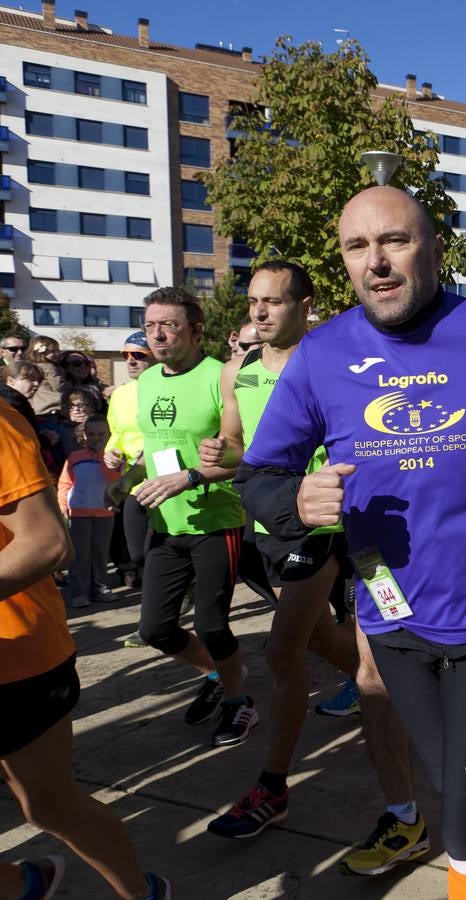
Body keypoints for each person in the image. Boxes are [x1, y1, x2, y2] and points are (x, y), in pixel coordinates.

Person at [235, 185, 466, 898]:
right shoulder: (322, 352)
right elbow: (260, 475)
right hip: (389, 613)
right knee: (454, 773)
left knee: (460, 817)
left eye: (394, 240)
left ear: (432, 246)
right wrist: (296, 502)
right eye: (357, 246)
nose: (377, 261)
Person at [201, 261, 418, 873]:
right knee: (322, 637)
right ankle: (414, 697)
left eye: (273, 302)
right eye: (253, 302)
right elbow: (244, 454)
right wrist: (216, 458)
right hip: (282, 526)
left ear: (305, 306)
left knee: (283, 650)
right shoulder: (234, 371)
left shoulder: (331, 358)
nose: (259, 313)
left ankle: (273, 787)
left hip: (351, 527)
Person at [0, 397, 171, 900]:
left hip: (19, 661)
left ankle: (141, 892)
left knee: (48, 806)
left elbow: (49, 543)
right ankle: (24, 884)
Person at [133, 287, 255, 748]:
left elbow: (243, 455)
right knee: (155, 629)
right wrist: (127, 475)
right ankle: (219, 674)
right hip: (165, 523)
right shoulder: (145, 381)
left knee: (211, 623)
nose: (158, 335)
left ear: (196, 330)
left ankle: (239, 701)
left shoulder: (219, 376)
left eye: (170, 325)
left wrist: (192, 476)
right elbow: (155, 442)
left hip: (215, 521)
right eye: (150, 326)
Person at [56, 414, 119, 608]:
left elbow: (114, 480)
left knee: (100, 553)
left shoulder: (113, 459)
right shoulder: (75, 457)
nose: (96, 438)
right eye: (91, 434)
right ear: (84, 435)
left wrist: (105, 460)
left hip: (104, 512)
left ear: (109, 435)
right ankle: (78, 592)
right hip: (79, 512)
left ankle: (100, 587)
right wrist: (63, 506)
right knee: (81, 554)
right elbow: (65, 483)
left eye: (101, 434)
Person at [104, 332, 151, 591]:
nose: (131, 361)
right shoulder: (121, 395)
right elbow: (117, 434)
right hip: (133, 481)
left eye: (139, 355)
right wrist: (112, 452)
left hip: (166, 478)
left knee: (163, 548)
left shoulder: (167, 388)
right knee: (137, 554)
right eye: (126, 355)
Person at [25, 336, 63, 417]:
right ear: (40, 352)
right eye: (53, 351)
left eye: (58, 350)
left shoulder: (32, 366)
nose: (58, 353)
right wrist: (70, 386)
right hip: (49, 406)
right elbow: (58, 385)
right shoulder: (49, 367)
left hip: (37, 406)